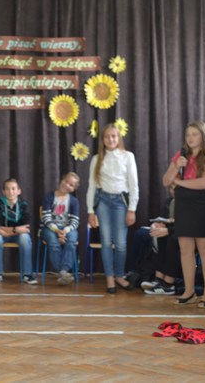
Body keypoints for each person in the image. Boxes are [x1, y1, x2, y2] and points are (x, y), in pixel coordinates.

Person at [162, 120, 205, 308]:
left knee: (204, 248)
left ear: (203, 136)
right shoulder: (181, 155)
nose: (190, 138)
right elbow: (165, 181)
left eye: (194, 134)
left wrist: (179, 183)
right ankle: (189, 291)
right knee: (185, 249)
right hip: (183, 205)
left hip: (202, 204)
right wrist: (175, 167)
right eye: (188, 134)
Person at [86, 123, 139, 294]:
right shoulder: (97, 159)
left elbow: (134, 184)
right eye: (107, 136)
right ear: (103, 139)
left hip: (120, 203)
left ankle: (119, 275)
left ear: (119, 138)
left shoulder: (128, 156)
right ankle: (109, 277)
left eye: (114, 136)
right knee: (106, 242)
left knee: (121, 243)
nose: (111, 139)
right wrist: (90, 211)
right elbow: (91, 186)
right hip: (103, 202)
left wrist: (132, 209)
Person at [0, 178, 39, 285]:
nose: (10, 192)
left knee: (25, 238)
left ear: (19, 191)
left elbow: (26, 227)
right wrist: (15, 229)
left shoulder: (24, 204)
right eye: (7, 189)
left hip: (17, 235)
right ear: (3, 192)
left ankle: (27, 274)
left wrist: (7, 232)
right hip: (3, 235)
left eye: (13, 189)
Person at [41, 172, 81, 286]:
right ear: (61, 180)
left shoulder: (74, 201)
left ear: (73, 189)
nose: (67, 185)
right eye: (66, 181)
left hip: (67, 228)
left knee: (72, 240)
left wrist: (65, 231)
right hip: (50, 227)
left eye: (71, 185)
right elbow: (46, 218)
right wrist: (56, 231)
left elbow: (75, 221)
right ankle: (63, 273)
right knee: (53, 242)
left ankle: (63, 271)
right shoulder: (49, 197)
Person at [140, 194, 181, 296]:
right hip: (179, 231)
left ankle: (168, 285)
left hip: (197, 235)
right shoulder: (171, 201)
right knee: (159, 235)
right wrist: (158, 225)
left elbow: (190, 225)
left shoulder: (192, 200)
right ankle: (159, 279)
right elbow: (167, 220)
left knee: (173, 240)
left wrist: (169, 230)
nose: (173, 191)